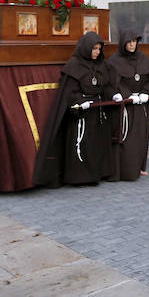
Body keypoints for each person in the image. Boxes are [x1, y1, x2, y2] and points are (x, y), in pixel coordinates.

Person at [33, 31, 117, 187]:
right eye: (94, 48)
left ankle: (96, 173)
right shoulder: (74, 66)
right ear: (86, 48)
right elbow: (69, 93)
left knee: (96, 145)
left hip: (97, 113)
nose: (97, 52)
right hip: (82, 115)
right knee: (82, 145)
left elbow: (106, 86)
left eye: (99, 49)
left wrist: (114, 95)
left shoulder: (101, 65)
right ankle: (81, 177)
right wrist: (81, 102)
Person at [106, 29, 149, 181]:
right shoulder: (114, 61)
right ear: (123, 43)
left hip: (140, 106)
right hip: (126, 108)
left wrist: (145, 93)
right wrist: (126, 95)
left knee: (141, 137)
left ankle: (139, 167)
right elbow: (114, 83)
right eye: (129, 42)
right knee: (126, 140)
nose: (132, 44)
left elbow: (148, 81)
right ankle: (126, 171)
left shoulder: (142, 58)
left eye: (134, 41)